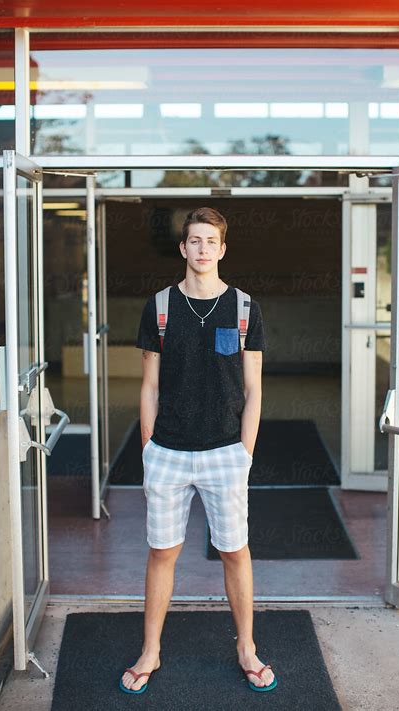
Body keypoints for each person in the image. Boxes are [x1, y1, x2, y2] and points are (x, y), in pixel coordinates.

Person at [120, 206, 277, 694]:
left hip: (225, 453)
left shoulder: (245, 308)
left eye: (212, 241)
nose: (203, 248)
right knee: (162, 552)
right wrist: (148, 449)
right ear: (183, 248)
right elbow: (148, 386)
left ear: (222, 249)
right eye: (195, 240)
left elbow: (254, 390)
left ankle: (246, 648)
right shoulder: (161, 307)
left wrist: (244, 453)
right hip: (167, 451)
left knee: (235, 552)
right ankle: (151, 650)